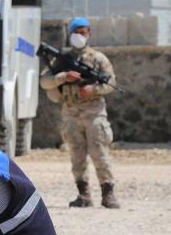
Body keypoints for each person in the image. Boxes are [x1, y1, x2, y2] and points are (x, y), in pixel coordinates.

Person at [39, 17, 120, 209]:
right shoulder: (61, 60)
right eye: (76, 32)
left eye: (83, 32)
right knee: (76, 154)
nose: (80, 36)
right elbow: (45, 82)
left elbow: (111, 83)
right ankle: (83, 195)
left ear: (89, 34)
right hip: (71, 111)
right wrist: (63, 77)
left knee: (100, 152)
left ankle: (108, 194)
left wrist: (94, 89)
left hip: (93, 112)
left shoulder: (98, 59)